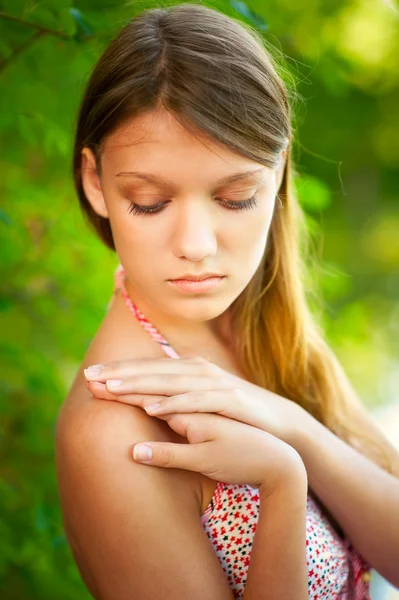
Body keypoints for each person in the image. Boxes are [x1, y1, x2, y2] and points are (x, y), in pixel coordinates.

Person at [55, 3, 399, 599]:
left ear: (278, 174)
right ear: (95, 183)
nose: (195, 247)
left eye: (236, 198)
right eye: (150, 202)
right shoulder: (118, 432)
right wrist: (282, 483)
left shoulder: (253, 319)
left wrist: (296, 428)